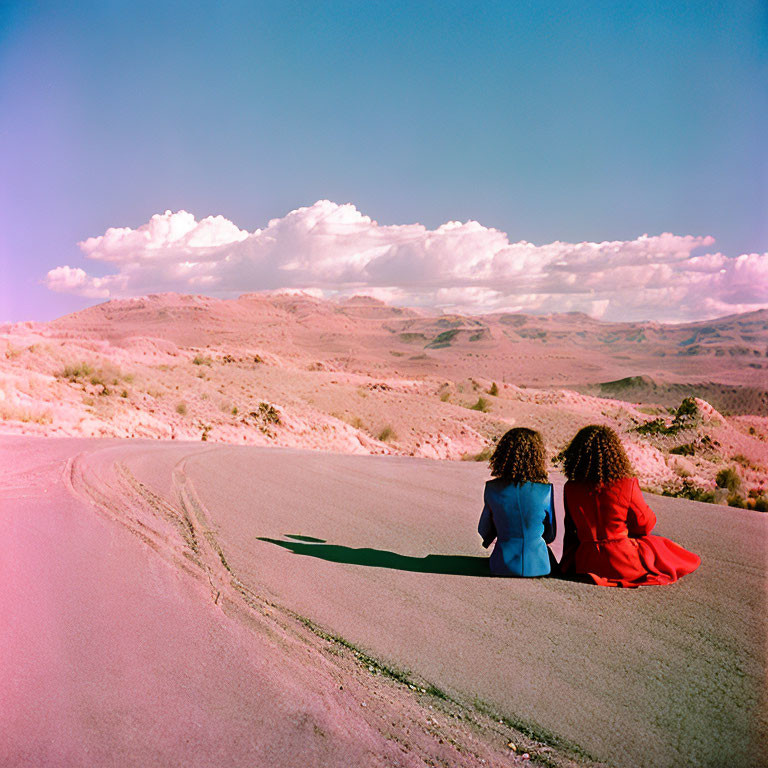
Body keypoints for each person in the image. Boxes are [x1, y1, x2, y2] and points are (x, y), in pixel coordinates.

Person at [559, 425, 700, 587]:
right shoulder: (626, 484)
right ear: (615, 454)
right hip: (622, 561)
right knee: (661, 546)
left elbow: (570, 531)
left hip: (586, 561)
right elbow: (645, 524)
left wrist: (567, 563)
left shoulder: (570, 487)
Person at [478, 427, 556, 577]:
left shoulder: (492, 488)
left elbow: (484, 530)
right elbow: (550, 535)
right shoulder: (546, 491)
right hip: (540, 566)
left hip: (501, 564)